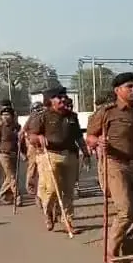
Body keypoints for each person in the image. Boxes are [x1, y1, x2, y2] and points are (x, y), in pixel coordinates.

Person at [86, 72, 133, 263]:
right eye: (129, 87)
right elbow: (90, 137)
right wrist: (98, 142)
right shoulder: (107, 112)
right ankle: (111, 252)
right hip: (115, 164)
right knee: (125, 210)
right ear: (117, 90)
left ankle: (130, 258)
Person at [26, 87, 84, 233]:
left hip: (70, 155)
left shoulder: (72, 116)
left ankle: (67, 221)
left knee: (68, 191)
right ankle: (48, 213)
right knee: (51, 189)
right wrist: (38, 137)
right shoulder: (43, 116)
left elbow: (78, 136)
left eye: (64, 96)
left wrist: (86, 153)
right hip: (49, 155)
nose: (63, 99)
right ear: (50, 100)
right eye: (59, 97)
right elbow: (31, 136)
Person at [0, 104, 21, 206]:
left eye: (8, 115)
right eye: (4, 115)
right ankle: (17, 197)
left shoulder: (17, 127)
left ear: (12, 116)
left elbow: (21, 141)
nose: (5, 117)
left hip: (14, 154)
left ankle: (1, 196)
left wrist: (23, 153)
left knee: (10, 177)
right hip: (4, 154)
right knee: (12, 177)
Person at [20, 101, 45, 207]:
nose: (39, 111)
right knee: (33, 169)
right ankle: (33, 190)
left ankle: (40, 194)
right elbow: (23, 132)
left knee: (43, 171)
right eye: (37, 109)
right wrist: (22, 151)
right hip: (33, 146)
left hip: (43, 146)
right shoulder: (32, 118)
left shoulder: (45, 117)